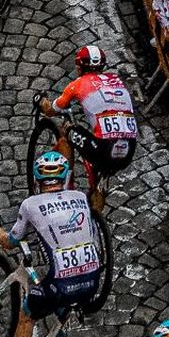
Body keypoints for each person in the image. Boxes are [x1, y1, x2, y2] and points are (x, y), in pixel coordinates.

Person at [0, 147, 103, 337]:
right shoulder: (80, 197)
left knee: (28, 314)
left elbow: (10, 242)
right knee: (52, 280)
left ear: (37, 180)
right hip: (93, 281)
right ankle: (62, 335)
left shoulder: (31, 204)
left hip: (62, 283)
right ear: (65, 177)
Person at [41, 44, 139, 213]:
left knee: (67, 134)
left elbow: (51, 111)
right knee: (101, 176)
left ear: (80, 67)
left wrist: (41, 101)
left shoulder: (78, 84)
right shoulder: (116, 81)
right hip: (129, 149)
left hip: (103, 148)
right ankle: (96, 219)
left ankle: (65, 190)